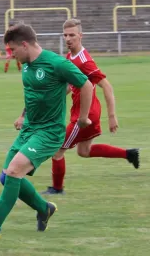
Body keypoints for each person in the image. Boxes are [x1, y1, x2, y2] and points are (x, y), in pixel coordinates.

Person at [0, 23, 94, 240]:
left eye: (13, 50)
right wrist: (23, 115)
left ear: (25, 45)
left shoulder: (56, 63)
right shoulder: (26, 64)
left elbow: (86, 85)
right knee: (5, 177)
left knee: (14, 171)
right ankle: (44, 208)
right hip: (29, 129)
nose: (12, 55)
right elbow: (35, 94)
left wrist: (83, 118)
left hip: (49, 133)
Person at [42, 19, 140, 196]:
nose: (68, 39)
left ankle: (57, 189)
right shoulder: (70, 57)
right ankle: (129, 154)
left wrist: (112, 116)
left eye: (72, 35)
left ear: (80, 36)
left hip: (85, 115)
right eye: (65, 35)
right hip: (87, 112)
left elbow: (107, 86)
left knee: (57, 149)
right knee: (84, 151)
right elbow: (69, 86)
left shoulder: (84, 61)